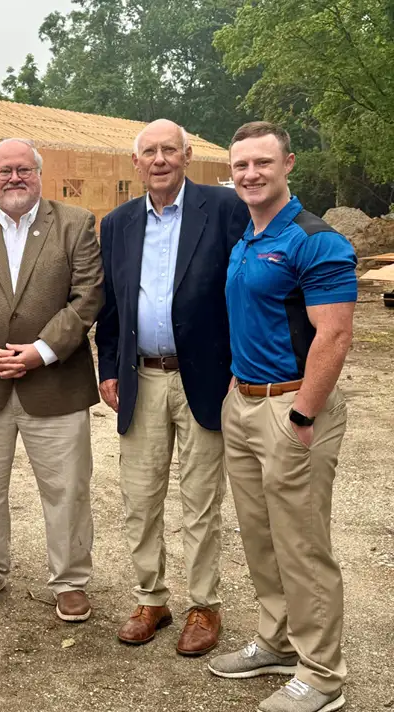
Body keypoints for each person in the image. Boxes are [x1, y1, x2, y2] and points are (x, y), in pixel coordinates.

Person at [208, 122, 357, 712]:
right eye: (240, 165)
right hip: (244, 402)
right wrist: (234, 390)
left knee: (301, 542)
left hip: (292, 406)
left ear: (287, 163)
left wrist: (303, 413)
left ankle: (322, 675)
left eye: (262, 163)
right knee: (261, 535)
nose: (250, 174)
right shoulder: (247, 239)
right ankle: (276, 640)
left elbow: (336, 334)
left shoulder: (314, 239)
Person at [0, 138, 103, 622]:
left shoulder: (73, 223)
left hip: (56, 383)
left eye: (23, 169)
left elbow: (88, 294)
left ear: (39, 173)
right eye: (4, 171)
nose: (14, 178)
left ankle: (70, 580)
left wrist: (41, 352)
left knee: (68, 488)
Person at [95, 119, 249, 655]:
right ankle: (151, 599)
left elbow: (240, 291)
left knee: (201, 499)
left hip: (203, 378)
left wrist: (240, 363)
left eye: (169, 150)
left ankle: (205, 606)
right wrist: (108, 368)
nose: (159, 160)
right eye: (148, 152)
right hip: (141, 377)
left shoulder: (224, 210)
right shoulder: (116, 224)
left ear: (186, 156)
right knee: (139, 497)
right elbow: (110, 308)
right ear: (135, 164)